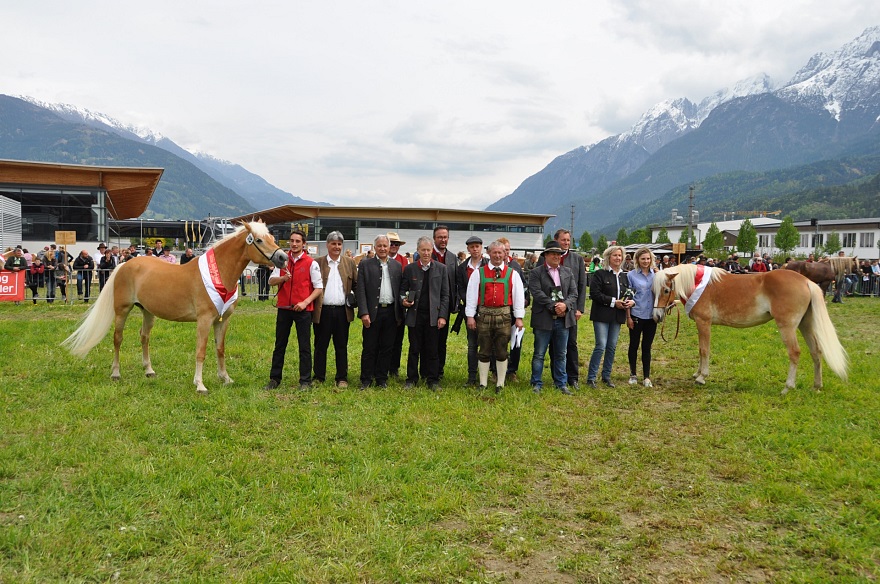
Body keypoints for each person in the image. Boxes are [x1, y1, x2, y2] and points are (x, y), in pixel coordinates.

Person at [264, 229, 323, 391]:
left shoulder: (311, 263)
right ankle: (274, 379)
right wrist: (282, 278)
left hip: (303, 310)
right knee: (279, 345)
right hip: (284, 308)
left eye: (298, 241)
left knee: (304, 346)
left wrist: (305, 302)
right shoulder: (281, 260)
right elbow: (271, 281)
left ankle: (305, 381)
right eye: (292, 241)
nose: (294, 244)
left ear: (304, 244)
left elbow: (318, 288)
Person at [465, 240, 525, 393]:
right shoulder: (479, 273)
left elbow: (518, 296)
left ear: (505, 254)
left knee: (501, 350)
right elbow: (471, 295)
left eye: (500, 252)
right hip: (483, 315)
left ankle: (500, 383)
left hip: (504, 316)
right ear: (489, 254)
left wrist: (519, 317)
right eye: (494, 252)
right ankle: (483, 383)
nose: (497, 255)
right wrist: (470, 316)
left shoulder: (513, 274)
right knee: (484, 349)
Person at [537, 229, 588, 388]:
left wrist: (578, 308)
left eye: (568, 240)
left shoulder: (577, 259)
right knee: (553, 344)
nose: (566, 243)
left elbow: (581, 285)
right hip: (549, 311)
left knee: (571, 343)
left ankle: (572, 377)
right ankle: (556, 377)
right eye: (563, 240)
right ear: (556, 240)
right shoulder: (543, 259)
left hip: (570, 309)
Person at [400, 236, 450, 390]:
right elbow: (402, 290)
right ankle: (411, 379)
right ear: (418, 251)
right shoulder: (410, 269)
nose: (426, 253)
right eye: (423, 250)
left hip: (433, 316)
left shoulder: (442, 269)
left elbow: (445, 295)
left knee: (432, 349)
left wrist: (442, 315)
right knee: (414, 348)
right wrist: (404, 300)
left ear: (432, 251)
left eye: (429, 250)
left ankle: (433, 380)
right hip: (415, 315)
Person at [528, 241, 577, 394]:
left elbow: (573, 293)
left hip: (563, 319)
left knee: (561, 354)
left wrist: (565, 306)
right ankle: (536, 382)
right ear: (546, 256)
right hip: (543, 318)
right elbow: (536, 293)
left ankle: (561, 383)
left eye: (559, 254)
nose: (556, 256)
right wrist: (554, 306)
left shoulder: (567, 272)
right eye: (553, 254)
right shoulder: (536, 272)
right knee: (539, 354)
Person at [356, 234, 403, 389]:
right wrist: (363, 312)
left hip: (391, 312)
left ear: (389, 247)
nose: (383, 249)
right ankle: (366, 379)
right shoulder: (365, 265)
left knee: (387, 347)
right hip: (372, 312)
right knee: (370, 347)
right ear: (375, 247)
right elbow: (360, 290)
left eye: (385, 246)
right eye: (380, 246)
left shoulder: (396, 266)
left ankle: (381, 378)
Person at [312, 231, 358, 388]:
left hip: (342, 312)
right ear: (327, 245)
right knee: (320, 345)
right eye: (333, 243)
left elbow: (356, 286)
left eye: (339, 244)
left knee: (341, 346)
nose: (336, 247)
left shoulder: (349, 263)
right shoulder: (317, 263)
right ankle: (319, 377)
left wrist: (354, 298)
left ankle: (342, 378)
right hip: (322, 311)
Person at [586, 245, 634, 388]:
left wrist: (631, 301)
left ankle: (606, 376)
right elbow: (595, 294)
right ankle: (591, 377)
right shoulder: (600, 274)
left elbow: (630, 292)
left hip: (617, 316)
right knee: (601, 345)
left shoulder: (625, 276)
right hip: (601, 315)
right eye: (615, 255)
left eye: (620, 255)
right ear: (608, 257)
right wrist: (614, 302)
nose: (618, 258)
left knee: (612, 347)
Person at [455, 235, 487, 386]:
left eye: (477, 246)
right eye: (472, 247)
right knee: (472, 345)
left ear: (481, 248)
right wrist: (469, 303)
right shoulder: (462, 268)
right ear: (468, 249)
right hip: (470, 311)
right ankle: (471, 377)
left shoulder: (489, 264)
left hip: (487, 310)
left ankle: (486, 376)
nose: (475, 249)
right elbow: (460, 287)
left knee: (488, 344)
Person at [626, 247, 658, 388]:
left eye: (648, 258)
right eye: (643, 258)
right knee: (634, 345)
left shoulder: (656, 275)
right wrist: (628, 317)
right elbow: (628, 297)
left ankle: (646, 377)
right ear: (637, 260)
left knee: (647, 347)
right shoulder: (631, 276)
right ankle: (633, 374)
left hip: (651, 316)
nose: (646, 261)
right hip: (636, 314)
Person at [387, 232, 409, 379]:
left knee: (397, 339)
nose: (394, 246)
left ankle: (394, 368)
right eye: (391, 244)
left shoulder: (404, 261)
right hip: (382, 304)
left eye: (396, 244)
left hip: (398, 306)